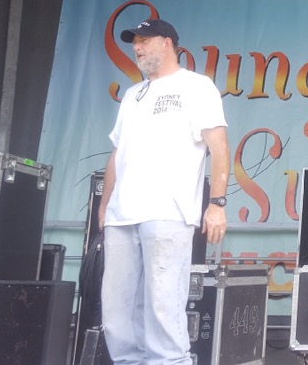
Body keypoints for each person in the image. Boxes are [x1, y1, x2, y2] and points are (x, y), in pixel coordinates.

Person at [98, 18, 230, 365]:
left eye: (144, 40)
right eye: (134, 42)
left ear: (167, 43)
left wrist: (217, 204)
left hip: (168, 213)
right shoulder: (132, 95)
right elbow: (117, 152)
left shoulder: (196, 86)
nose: (137, 47)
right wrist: (104, 205)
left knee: (163, 306)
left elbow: (219, 146)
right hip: (121, 215)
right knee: (117, 312)